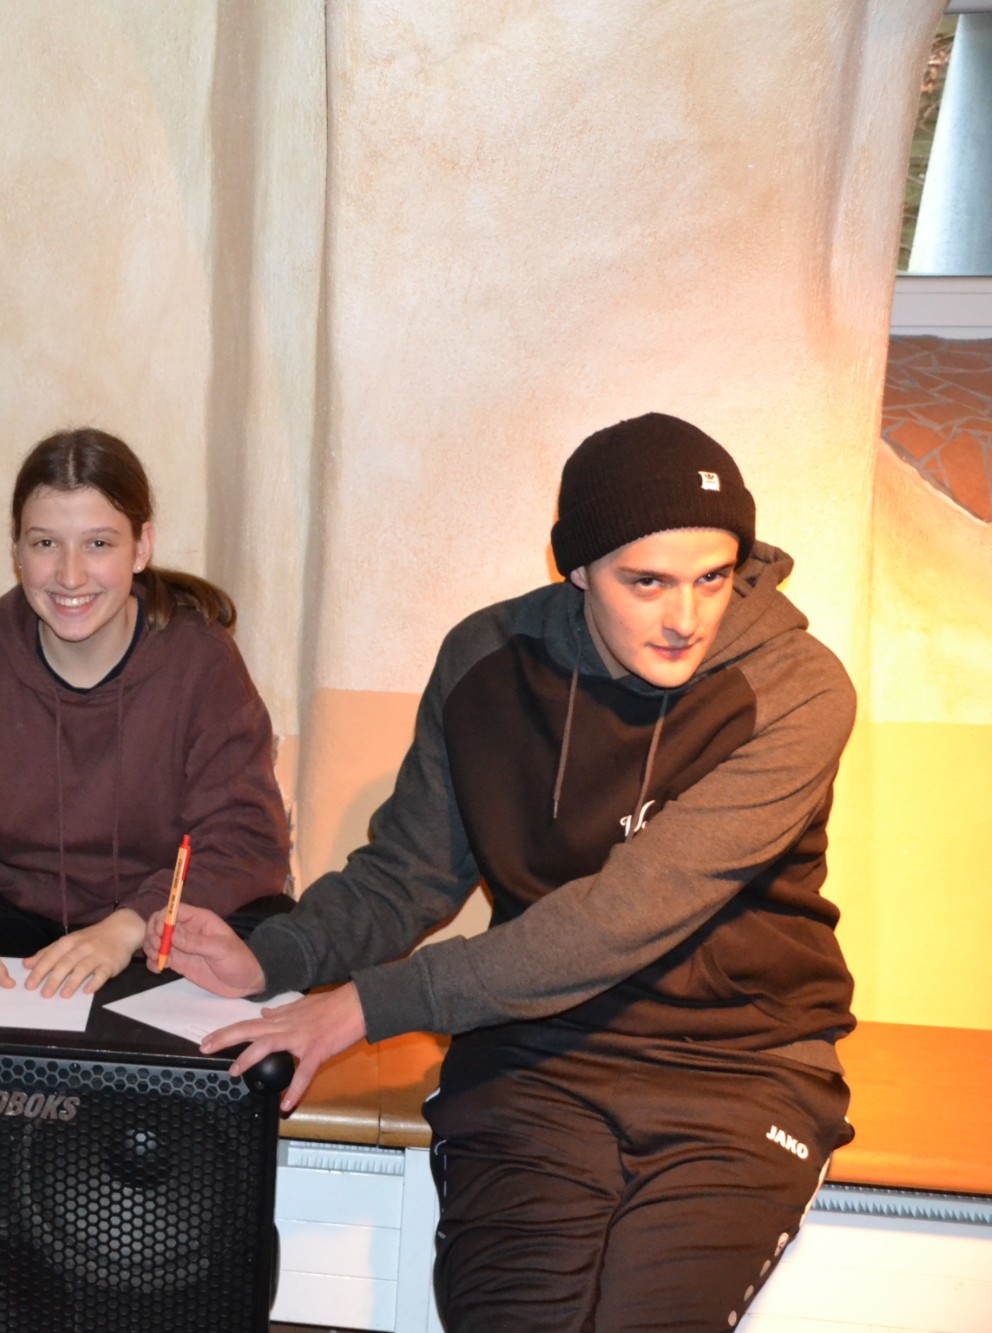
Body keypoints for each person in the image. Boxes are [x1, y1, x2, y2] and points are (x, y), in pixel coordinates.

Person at [154, 414, 857, 1330]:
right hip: (534, 1063)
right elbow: (405, 876)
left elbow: (625, 913)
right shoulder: (487, 661)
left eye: (712, 577)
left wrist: (370, 1003)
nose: (685, 618)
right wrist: (272, 955)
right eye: (646, 581)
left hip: (739, 1068)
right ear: (577, 567)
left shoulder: (800, 690)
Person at [0, 428, 294, 1018]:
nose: (69, 576)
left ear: (141, 547)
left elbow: (246, 839)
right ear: (17, 552)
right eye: (46, 543)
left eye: (98, 544)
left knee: (282, 942)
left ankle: (31, 1010)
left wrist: (125, 929)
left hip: (152, 924)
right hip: (11, 919)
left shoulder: (202, 662)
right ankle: (99, 1013)